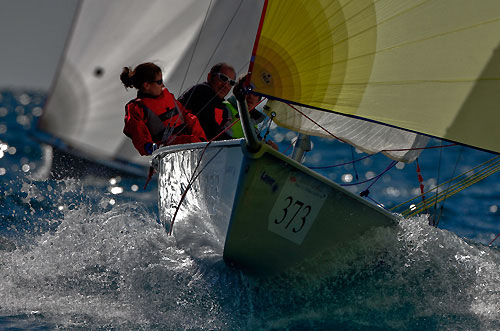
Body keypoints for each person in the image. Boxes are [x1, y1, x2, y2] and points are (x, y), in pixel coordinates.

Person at [120, 62, 206, 156]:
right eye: (159, 82)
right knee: (188, 140)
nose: (162, 85)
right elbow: (138, 134)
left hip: (193, 146)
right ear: (146, 85)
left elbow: (188, 117)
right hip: (168, 154)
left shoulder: (167, 96)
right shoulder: (137, 108)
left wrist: (201, 140)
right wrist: (149, 147)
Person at [178, 62, 236, 141]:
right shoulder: (202, 91)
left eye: (231, 83)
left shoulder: (223, 109)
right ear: (209, 77)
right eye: (223, 78)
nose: (226, 85)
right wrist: (235, 142)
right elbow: (209, 127)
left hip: (199, 148)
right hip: (184, 146)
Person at [223, 74, 266, 139]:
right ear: (237, 92)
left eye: (255, 94)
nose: (250, 96)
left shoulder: (253, 121)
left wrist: (266, 145)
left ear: (259, 99)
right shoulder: (224, 108)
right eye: (246, 91)